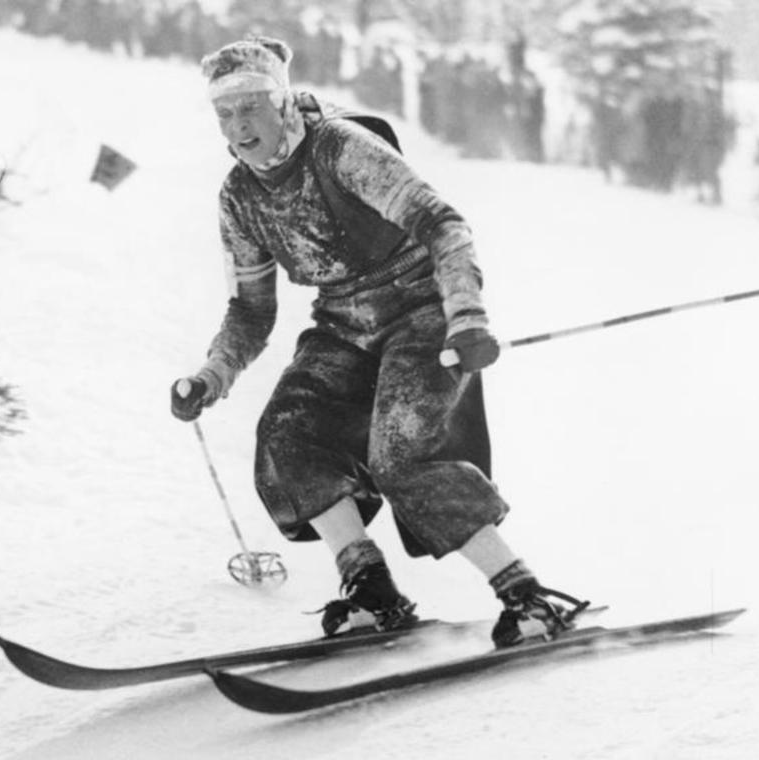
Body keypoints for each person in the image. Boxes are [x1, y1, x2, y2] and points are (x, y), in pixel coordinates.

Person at [170, 35, 588, 648]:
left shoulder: (341, 149)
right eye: (225, 114)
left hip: (420, 310)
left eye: (250, 109)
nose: (238, 126)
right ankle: (372, 593)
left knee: (401, 456)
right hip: (342, 324)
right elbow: (250, 311)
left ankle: (527, 597)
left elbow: (442, 225)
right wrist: (213, 373)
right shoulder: (238, 197)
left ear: (282, 103)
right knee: (286, 438)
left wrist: (466, 316)